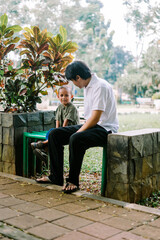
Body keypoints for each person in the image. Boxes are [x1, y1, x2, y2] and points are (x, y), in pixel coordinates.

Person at [36, 61, 119, 193]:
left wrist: (78, 132)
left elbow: (96, 117)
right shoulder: (88, 86)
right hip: (92, 126)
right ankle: (55, 177)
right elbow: (90, 119)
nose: (74, 84)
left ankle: (73, 181)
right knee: (55, 134)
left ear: (78, 77)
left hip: (105, 129)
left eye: (73, 81)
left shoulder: (100, 86)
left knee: (76, 138)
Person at [31, 85, 80, 161]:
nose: (64, 97)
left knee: (54, 134)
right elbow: (57, 121)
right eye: (61, 95)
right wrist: (56, 131)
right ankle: (45, 150)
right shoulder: (59, 107)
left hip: (72, 131)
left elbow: (65, 123)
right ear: (58, 97)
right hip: (62, 130)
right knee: (51, 132)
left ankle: (43, 144)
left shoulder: (72, 108)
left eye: (66, 95)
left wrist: (58, 132)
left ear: (71, 96)